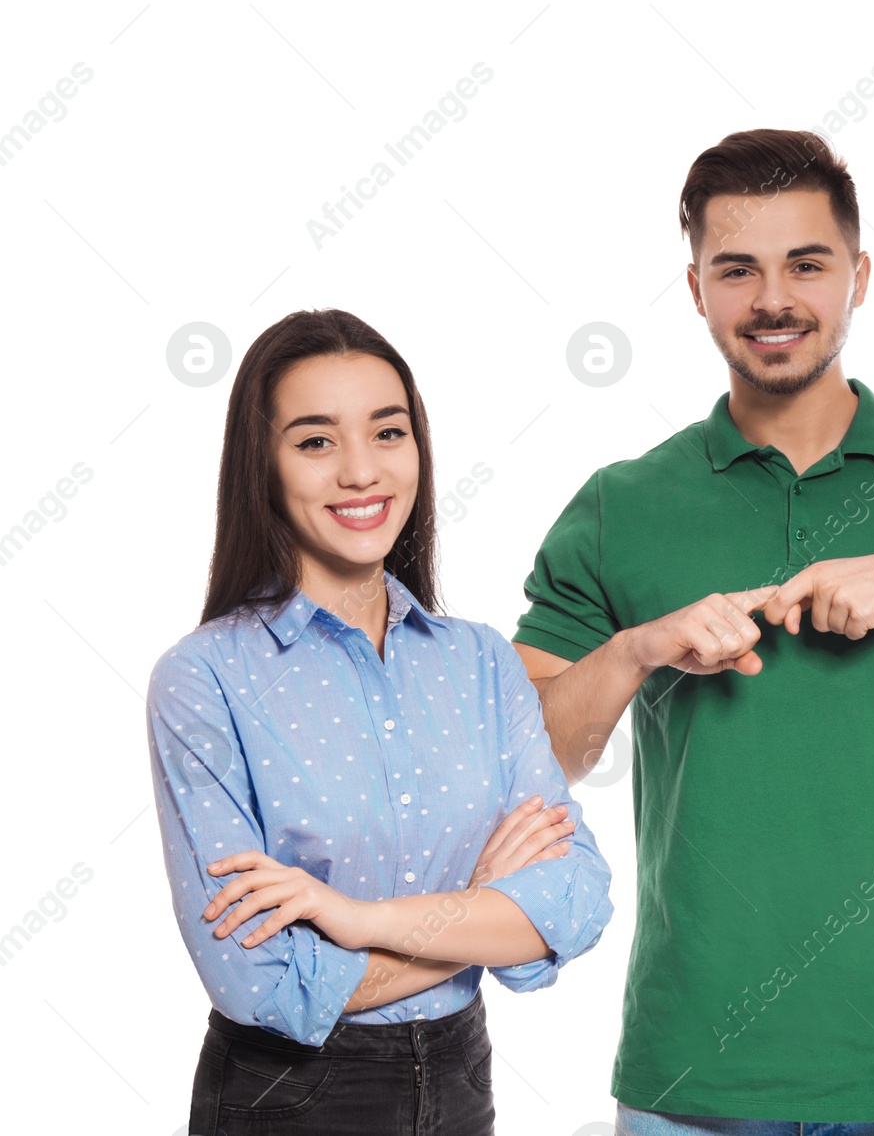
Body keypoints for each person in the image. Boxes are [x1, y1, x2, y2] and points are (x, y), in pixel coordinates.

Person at [512, 129, 874, 1131]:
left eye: (805, 265)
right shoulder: (621, 502)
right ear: (694, 288)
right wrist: (639, 647)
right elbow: (535, 753)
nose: (771, 298)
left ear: (858, 277)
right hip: (692, 1074)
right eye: (736, 269)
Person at [146, 308, 613, 1136]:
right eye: (316, 440)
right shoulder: (204, 679)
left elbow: (574, 902)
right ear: (264, 467)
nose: (362, 471)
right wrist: (481, 910)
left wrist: (357, 920)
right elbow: (264, 984)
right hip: (287, 1098)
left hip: (462, 1078)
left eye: (388, 432)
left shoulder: (480, 662)